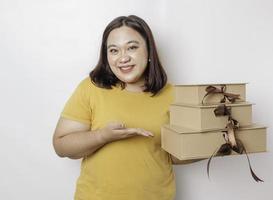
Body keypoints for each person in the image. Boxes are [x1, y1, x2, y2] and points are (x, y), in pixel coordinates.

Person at [53, 15, 199, 200]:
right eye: (114, 50)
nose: (123, 58)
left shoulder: (173, 95)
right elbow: (61, 146)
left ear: (149, 50)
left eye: (132, 47)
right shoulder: (91, 88)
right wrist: (102, 136)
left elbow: (175, 156)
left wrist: (219, 143)